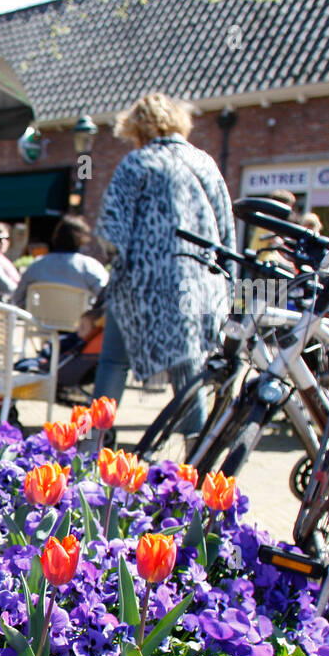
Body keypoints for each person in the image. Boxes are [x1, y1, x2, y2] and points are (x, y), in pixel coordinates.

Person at [92, 92, 235, 437]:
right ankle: (194, 458)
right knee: (186, 368)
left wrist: (118, 260)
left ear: (137, 128)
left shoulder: (137, 163)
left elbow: (111, 231)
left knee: (114, 361)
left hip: (142, 284)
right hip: (197, 282)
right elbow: (227, 229)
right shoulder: (205, 163)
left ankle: (92, 447)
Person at [11, 214, 108, 305]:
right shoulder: (89, 266)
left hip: (40, 322)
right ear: (82, 240)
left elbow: (17, 299)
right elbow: (106, 297)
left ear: (56, 236)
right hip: (78, 322)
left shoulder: (37, 265)